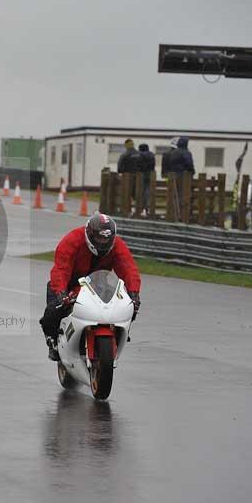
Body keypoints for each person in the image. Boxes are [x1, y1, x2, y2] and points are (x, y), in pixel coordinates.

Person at [39, 213, 141, 361]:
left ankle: (119, 332)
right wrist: (61, 293)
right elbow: (60, 269)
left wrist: (134, 294)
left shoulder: (117, 246)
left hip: (99, 284)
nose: (102, 242)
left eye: (106, 238)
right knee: (54, 308)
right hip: (71, 284)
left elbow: (129, 269)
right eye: (99, 238)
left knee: (131, 306)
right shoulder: (72, 240)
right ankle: (52, 341)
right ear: (89, 234)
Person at [168, 137, 195, 219]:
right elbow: (189, 163)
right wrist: (192, 171)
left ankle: (175, 213)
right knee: (184, 195)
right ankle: (184, 215)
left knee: (175, 195)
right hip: (184, 176)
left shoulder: (173, 152)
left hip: (174, 175)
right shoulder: (186, 152)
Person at [138, 143, 156, 214]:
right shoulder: (152, 155)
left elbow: (139, 165)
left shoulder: (140, 155)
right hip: (150, 175)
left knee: (141, 191)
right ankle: (148, 207)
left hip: (142, 174)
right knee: (148, 191)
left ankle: (142, 208)